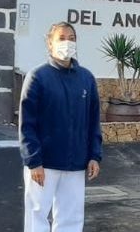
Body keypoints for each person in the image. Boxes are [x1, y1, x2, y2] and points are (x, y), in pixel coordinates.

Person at [19, 22, 103, 232]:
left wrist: (94, 155)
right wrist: (33, 161)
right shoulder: (38, 77)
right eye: (62, 38)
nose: (68, 42)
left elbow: (93, 121)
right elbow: (27, 124)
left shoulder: (86, 79)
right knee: (37, 215)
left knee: (72, 219)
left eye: (72, 38)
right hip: (44, 164)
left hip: (75, 163)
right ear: (50, 43)